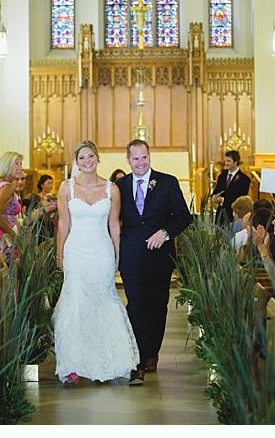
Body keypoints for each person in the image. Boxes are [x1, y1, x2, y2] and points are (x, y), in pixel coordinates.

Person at [53, 141, 138, 385]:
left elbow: (114, 224)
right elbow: (63, 224)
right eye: (82, 158)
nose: (87, 161)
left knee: (103, 301)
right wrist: (60, 254)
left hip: (101, 251)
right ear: (76, 161)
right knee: (76, 303)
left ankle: (107, 360)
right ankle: (73, 364)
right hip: (76, 251)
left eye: (91, 156)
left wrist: (117, 255)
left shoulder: (112, 189)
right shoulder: (66, 188)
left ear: (97, 158)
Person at [116, 139, 193, 385]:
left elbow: (183, 216)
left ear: (150, 157)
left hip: (159, 258)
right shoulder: (119, 186)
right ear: (128, 160)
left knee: (157, 306)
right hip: (131, 257)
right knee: (136, 305)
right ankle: (137, 361)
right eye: (136, 158)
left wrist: (165, 232)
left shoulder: (167, 182)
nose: (140, 163)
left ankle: (152, 353)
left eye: (144, 158)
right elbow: (111, 220)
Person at [0, 152, 25, 259]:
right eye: (17, 164)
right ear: (6, 165)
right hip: (5, 238)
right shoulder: (7, 187)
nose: (21, 168)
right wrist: (14, 235)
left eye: (21, 164)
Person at [210, 150, 251, 224]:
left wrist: (222, 200)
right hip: (220, 215)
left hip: (235, 215)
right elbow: (216, 191)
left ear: (236, 162)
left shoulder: (244, 179)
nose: (226, 163)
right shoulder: (222, 176)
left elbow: (241, 198)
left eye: (228, 161)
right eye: (225, 161)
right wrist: (214, 196)